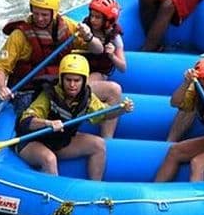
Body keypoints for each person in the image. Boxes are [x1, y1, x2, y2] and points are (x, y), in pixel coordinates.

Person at [0, 0, 104, 118]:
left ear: (54, 13)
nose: (39, 18)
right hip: (28, 91)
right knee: (28, 115)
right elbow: (0, 67)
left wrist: (89, 36)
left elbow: (98, 50)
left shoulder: (67, 26)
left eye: (44, 15)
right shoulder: (19, 36)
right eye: (36, 13)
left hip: (59, 86)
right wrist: (2, 88)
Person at [16, 53, 134, 181]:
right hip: (32, 141)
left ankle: (94, 187)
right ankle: (53, 192)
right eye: (68, 80)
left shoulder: (87, 97)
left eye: (77, 80)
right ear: (61, 79)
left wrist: (121, 110)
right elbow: (26, 121)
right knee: (49, 159)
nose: (72, 85)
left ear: (84, 81)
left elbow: (104, 114)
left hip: (60, 142)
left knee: (99, 145)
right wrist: (47, 123)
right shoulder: (49, 94)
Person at [79, 0, 127, 138]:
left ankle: (107, 137)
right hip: (79, 69)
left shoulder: (114, 37)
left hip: (98, 72)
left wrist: (112, 56)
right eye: (92, 16)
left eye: (98, 17)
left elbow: (123, 67)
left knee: (87, 85)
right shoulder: (84, 28)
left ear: (107, 20)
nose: (93, 20)